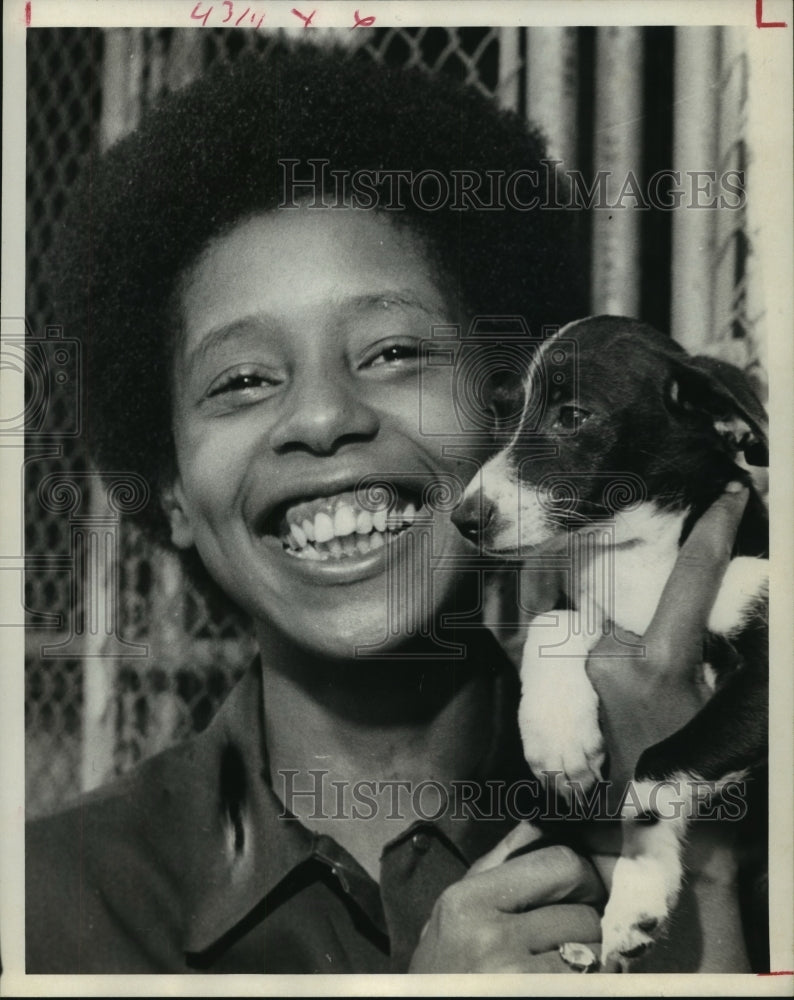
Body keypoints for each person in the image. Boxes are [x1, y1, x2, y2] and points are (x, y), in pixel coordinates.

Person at [26, 40, 762, 974]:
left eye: (392, 353)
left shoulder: (745, 786)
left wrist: (702, 866)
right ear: (169, 488)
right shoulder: (54, 904)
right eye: (245, 378)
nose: (326, 417)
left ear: (510, 411)